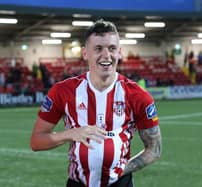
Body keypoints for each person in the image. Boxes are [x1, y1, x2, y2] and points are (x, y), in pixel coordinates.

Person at [30, 19, 162, 187]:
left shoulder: (138, 96)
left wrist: (122, 170)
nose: (106, 55)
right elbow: (36, 141)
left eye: (112, 49)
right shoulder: (63, 91)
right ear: (85, 53)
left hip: (121, 184)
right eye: (98, 48)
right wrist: (70, 134)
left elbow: (154, 149)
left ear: (119, 52)